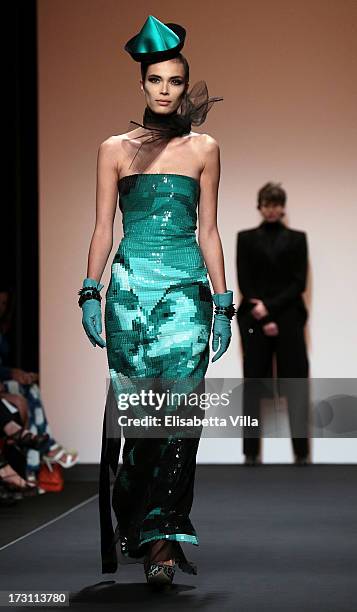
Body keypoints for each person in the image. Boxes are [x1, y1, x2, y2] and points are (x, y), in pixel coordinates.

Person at [78, 15, 236, 587]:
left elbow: (210, 232)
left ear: (182, 84)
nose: (165, 90)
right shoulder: (112, 150)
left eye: (174, 80)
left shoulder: (205, 149)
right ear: (142, 85)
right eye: (156, 80)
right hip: (128, 300)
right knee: (141, 421)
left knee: (180, 421)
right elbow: (102, 230)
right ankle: (136, 520)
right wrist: (90, 292)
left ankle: (165, 541)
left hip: (187, 298)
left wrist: (224, 303)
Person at [236, 182, 310, 466]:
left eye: (277, 204)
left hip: (289, 319)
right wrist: (264, 315)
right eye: (267, 204)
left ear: (283, 207)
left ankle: (301, 454)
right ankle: (250, 453)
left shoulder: (297, 239)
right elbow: (245, 281)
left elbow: (298, 283)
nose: (272, 210)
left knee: (296, 383)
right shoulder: (245, 238)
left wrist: (272, 311)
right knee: (253, 383)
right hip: (254, 318)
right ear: (259, 206)